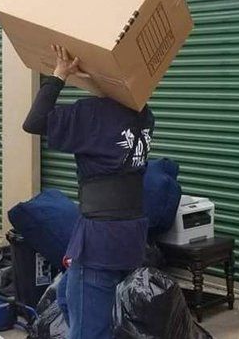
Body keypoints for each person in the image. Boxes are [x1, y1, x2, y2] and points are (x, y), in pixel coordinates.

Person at [23, 45, 153, 338]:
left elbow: (34, 122)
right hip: (130, 236)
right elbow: (115, 98)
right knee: (68, 296)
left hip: (100, 242)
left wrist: (59, 75)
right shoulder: (144, 114)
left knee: (89, 331)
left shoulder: (92, 114)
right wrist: (95, 79)